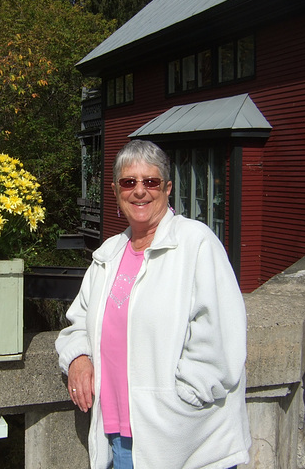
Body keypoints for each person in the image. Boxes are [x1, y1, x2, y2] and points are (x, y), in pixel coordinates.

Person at [55, 140, 251, 468]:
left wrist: (176, 402)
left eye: (151, 182)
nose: (140, 191)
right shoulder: (108, 254)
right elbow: (79, 321)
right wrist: (78, 358)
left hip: (187, 444)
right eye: (129, 182)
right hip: (119, 439)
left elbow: (222, 340)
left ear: (167, 188)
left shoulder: (196, 244)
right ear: (117, 190)